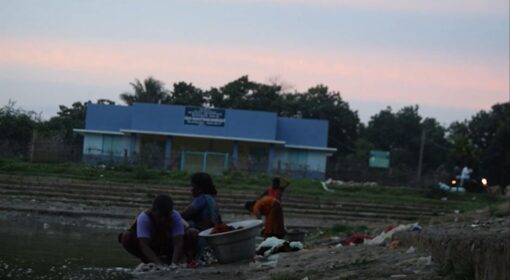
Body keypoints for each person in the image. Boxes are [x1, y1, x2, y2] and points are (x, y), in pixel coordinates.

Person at [119, 194, 192, 266]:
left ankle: (185, 257)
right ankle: (148, 259)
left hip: (168, 246)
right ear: (153, 212)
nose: (163, 220)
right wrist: (159, 265)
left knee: (193, 233)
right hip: (152, 246)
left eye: (166, 216)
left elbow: (178, 243)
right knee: (126, 236)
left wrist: (174, 264)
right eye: (159, 216)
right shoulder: (144, 218)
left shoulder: (175, 217)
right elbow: (144, 245)